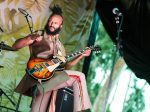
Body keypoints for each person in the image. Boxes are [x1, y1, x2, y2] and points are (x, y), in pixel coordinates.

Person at [12, 5, 92, 112]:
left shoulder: (60, 46)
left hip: (52, 80)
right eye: (50, 21)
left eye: (55, 22)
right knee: (79, 77)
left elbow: (66, 66)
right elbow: (15, 46)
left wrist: (82, 55)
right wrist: (29, 38)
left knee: (77, 77)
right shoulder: (38, 35)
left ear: (60, 26)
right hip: (39, 79)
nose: (51, 24)